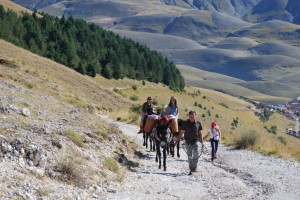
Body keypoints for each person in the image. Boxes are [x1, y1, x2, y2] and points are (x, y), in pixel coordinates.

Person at [175, 111, 204, 175]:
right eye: (191, 117)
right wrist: (177, 141)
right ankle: (191, 169)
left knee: (196, 153)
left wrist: (202, 142)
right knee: (189, 156)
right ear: (189, 116)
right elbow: (181, 132)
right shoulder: (185, 123)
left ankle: (194, 167)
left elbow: (200, 133)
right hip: (187, 142)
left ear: (195, 116)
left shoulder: (198, 123)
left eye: (193, 117)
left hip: (195, 141)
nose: (192, 118)